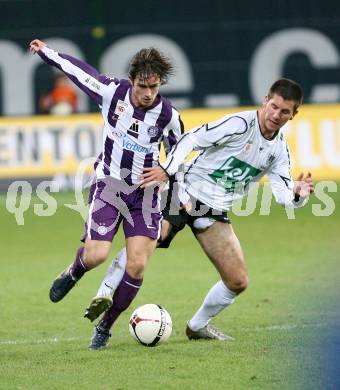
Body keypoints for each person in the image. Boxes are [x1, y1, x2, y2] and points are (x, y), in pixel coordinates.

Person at [85, 78, 314, 345]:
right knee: (149, 241)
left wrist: (299, 194)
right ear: (266, 100)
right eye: (274, 106)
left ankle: (197, 326)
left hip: (213, 210)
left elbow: (285, 196)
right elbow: (191, 138)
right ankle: (105, 293)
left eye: (284, 111)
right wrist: (170, 172)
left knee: (237, 281)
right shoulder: (239, 125)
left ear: (294, 114)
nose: (276, 115)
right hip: (185, 191)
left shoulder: (279, 152)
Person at [29, 39, 186, 350]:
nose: (148, 93)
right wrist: (47, 53)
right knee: (96, 255)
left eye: (154, 87)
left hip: (145, 195)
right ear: (132, 80)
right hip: (109, 186)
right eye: (143, 86)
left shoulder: (168, 115)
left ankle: (104, 327)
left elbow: (182, 148)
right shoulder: (112, 92)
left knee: (138, 264)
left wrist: (167, 172)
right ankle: (74, 271)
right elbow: (78, 72)